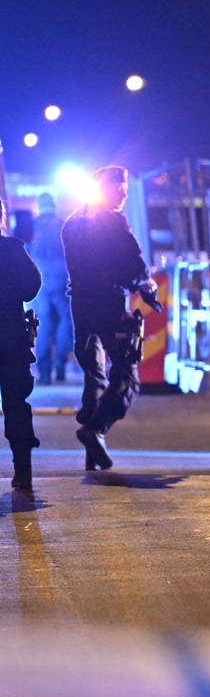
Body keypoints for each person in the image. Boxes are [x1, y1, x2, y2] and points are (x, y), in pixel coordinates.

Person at [62, 166, 160, 470]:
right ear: (106, 187)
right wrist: (146, 287)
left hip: (80, 304)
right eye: (120, 187)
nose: (124, 193)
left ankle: (92, 454)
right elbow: (132, 263)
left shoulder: (71, 222)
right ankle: (96, 430)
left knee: (94, 375)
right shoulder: (112, 221)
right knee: (127, 373)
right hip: (108, 302)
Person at [0, 199, 43, 490]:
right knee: (16, 402)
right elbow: (32, 285)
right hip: (10, 336)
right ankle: (23, 471)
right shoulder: (12, 248)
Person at [29, 193, 73, 384]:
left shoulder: (31, 226)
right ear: (54, 206)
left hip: (39, 279)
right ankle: (61, 366)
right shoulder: (63, 225)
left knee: (43, 324)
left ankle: (45, 373)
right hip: (62, 277)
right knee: (65, 321)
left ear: (39, 206)